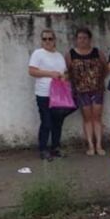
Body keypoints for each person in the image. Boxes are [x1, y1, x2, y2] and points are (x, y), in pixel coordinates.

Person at [27, 29, 68, 160]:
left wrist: (63, 77)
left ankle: (55, 147)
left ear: (54, 40)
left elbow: (65, 72)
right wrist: (51, 74)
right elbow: (32, 71)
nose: (47, 42)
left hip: (58, 94)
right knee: (46, 122)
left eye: (50, 39)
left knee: (58, 122)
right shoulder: (38, 54)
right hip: (44, 93)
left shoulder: (59, 56)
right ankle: (43, 149)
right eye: (44, 39)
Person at [66, 27, 108, 156]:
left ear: (89, 39)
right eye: (80, 38)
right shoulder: (71, 54)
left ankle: (99, 145)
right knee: (87, 118)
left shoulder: (97, 52)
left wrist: (100, 80)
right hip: (81, 90)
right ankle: (90, 145)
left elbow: (106, 67)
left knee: (97, 116)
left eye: (85, 38)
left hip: (97, 89)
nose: (82, 40)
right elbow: (68, 71)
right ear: (76, 40)